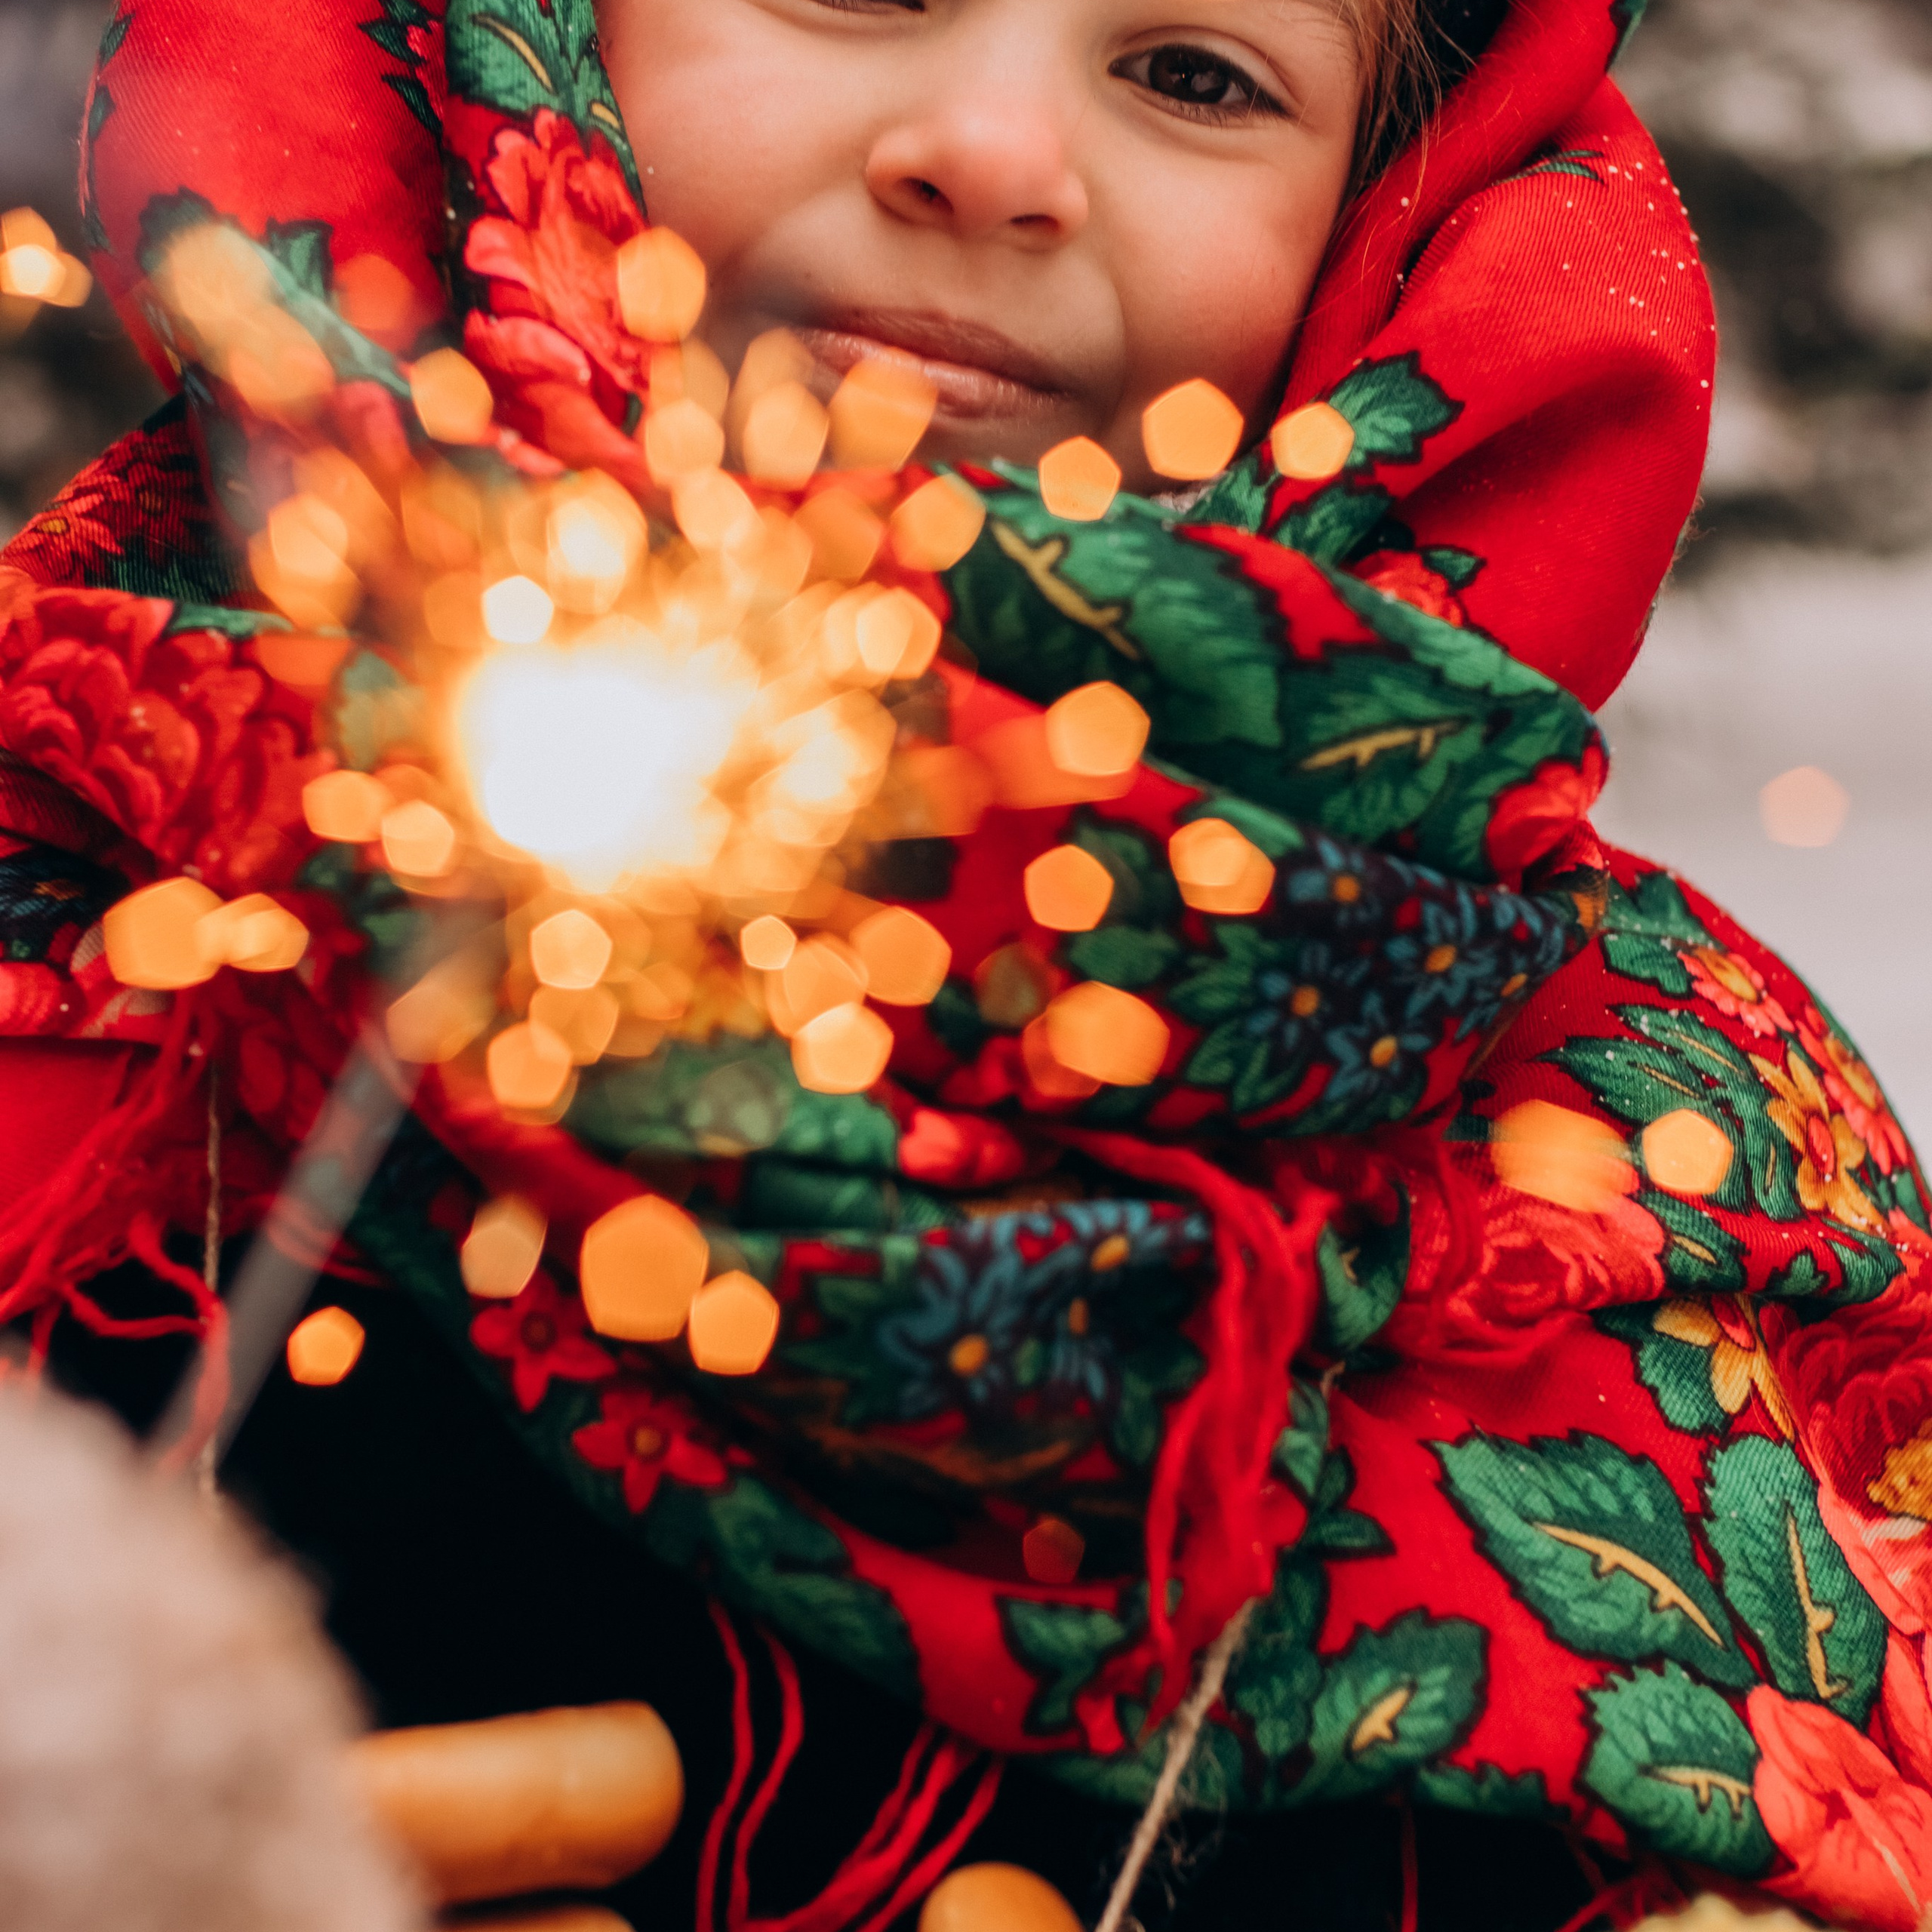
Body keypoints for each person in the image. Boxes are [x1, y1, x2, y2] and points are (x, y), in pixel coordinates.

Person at [2, 1, 1929, 1928]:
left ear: (1386, 223)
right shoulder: (88, 877)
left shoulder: (1643, 1137)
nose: (991, 159)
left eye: (1194, 76)